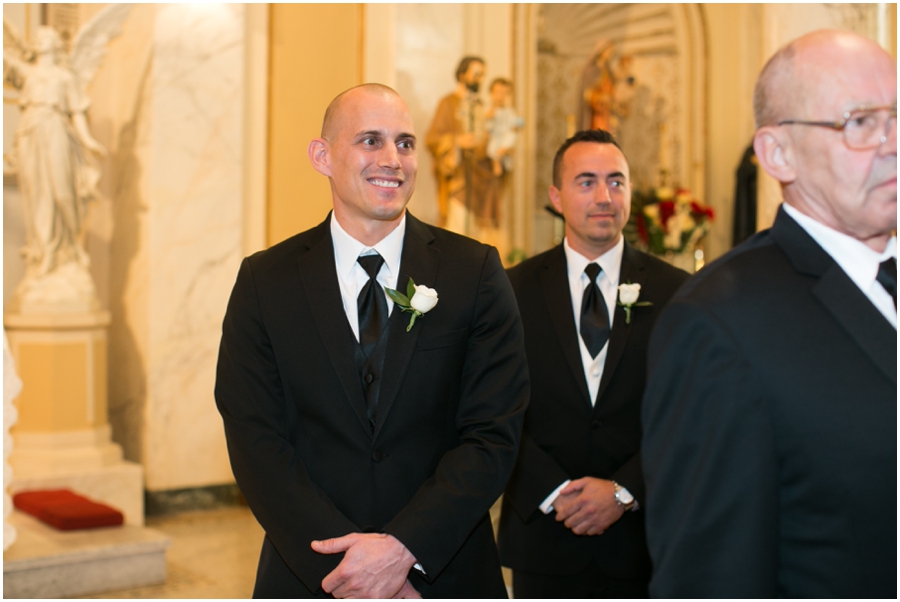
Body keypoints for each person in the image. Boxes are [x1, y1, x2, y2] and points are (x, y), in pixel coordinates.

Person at [215, 84, 529, 598]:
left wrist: (405, 550)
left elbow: (494, 431)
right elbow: (254, 438)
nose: (393, 160)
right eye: (370, 140)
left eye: (405, 143)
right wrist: (349, 570)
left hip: (444, 570)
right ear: (323, 156)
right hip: (312, 572)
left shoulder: (474, 272)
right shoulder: (265, 281)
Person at [641, 29, 896, 598]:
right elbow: (708, 580)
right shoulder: (718, 321)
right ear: (777, 153)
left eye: (899, 116)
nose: (893, 142)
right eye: (860, 122)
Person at [497, 129, 689, 598]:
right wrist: (553, 492)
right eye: (586, 182)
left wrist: (624, 490)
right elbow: (491, 409)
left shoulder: (678, 292)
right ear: (556, 196)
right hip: (543, 537)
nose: (605, 196)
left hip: (643, 542)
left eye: (616, 182)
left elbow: (690, 412)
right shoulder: (509, 291)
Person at [426, 56, 500, 230]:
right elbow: (432, 139)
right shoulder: (448, 103)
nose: (480, 79)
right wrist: (457, 142)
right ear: (462, 75)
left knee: (477, 235)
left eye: (482, 75)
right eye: (476, 74)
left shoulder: (480, 105)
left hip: (479, 178)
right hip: (459, 178)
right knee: (457, 230)